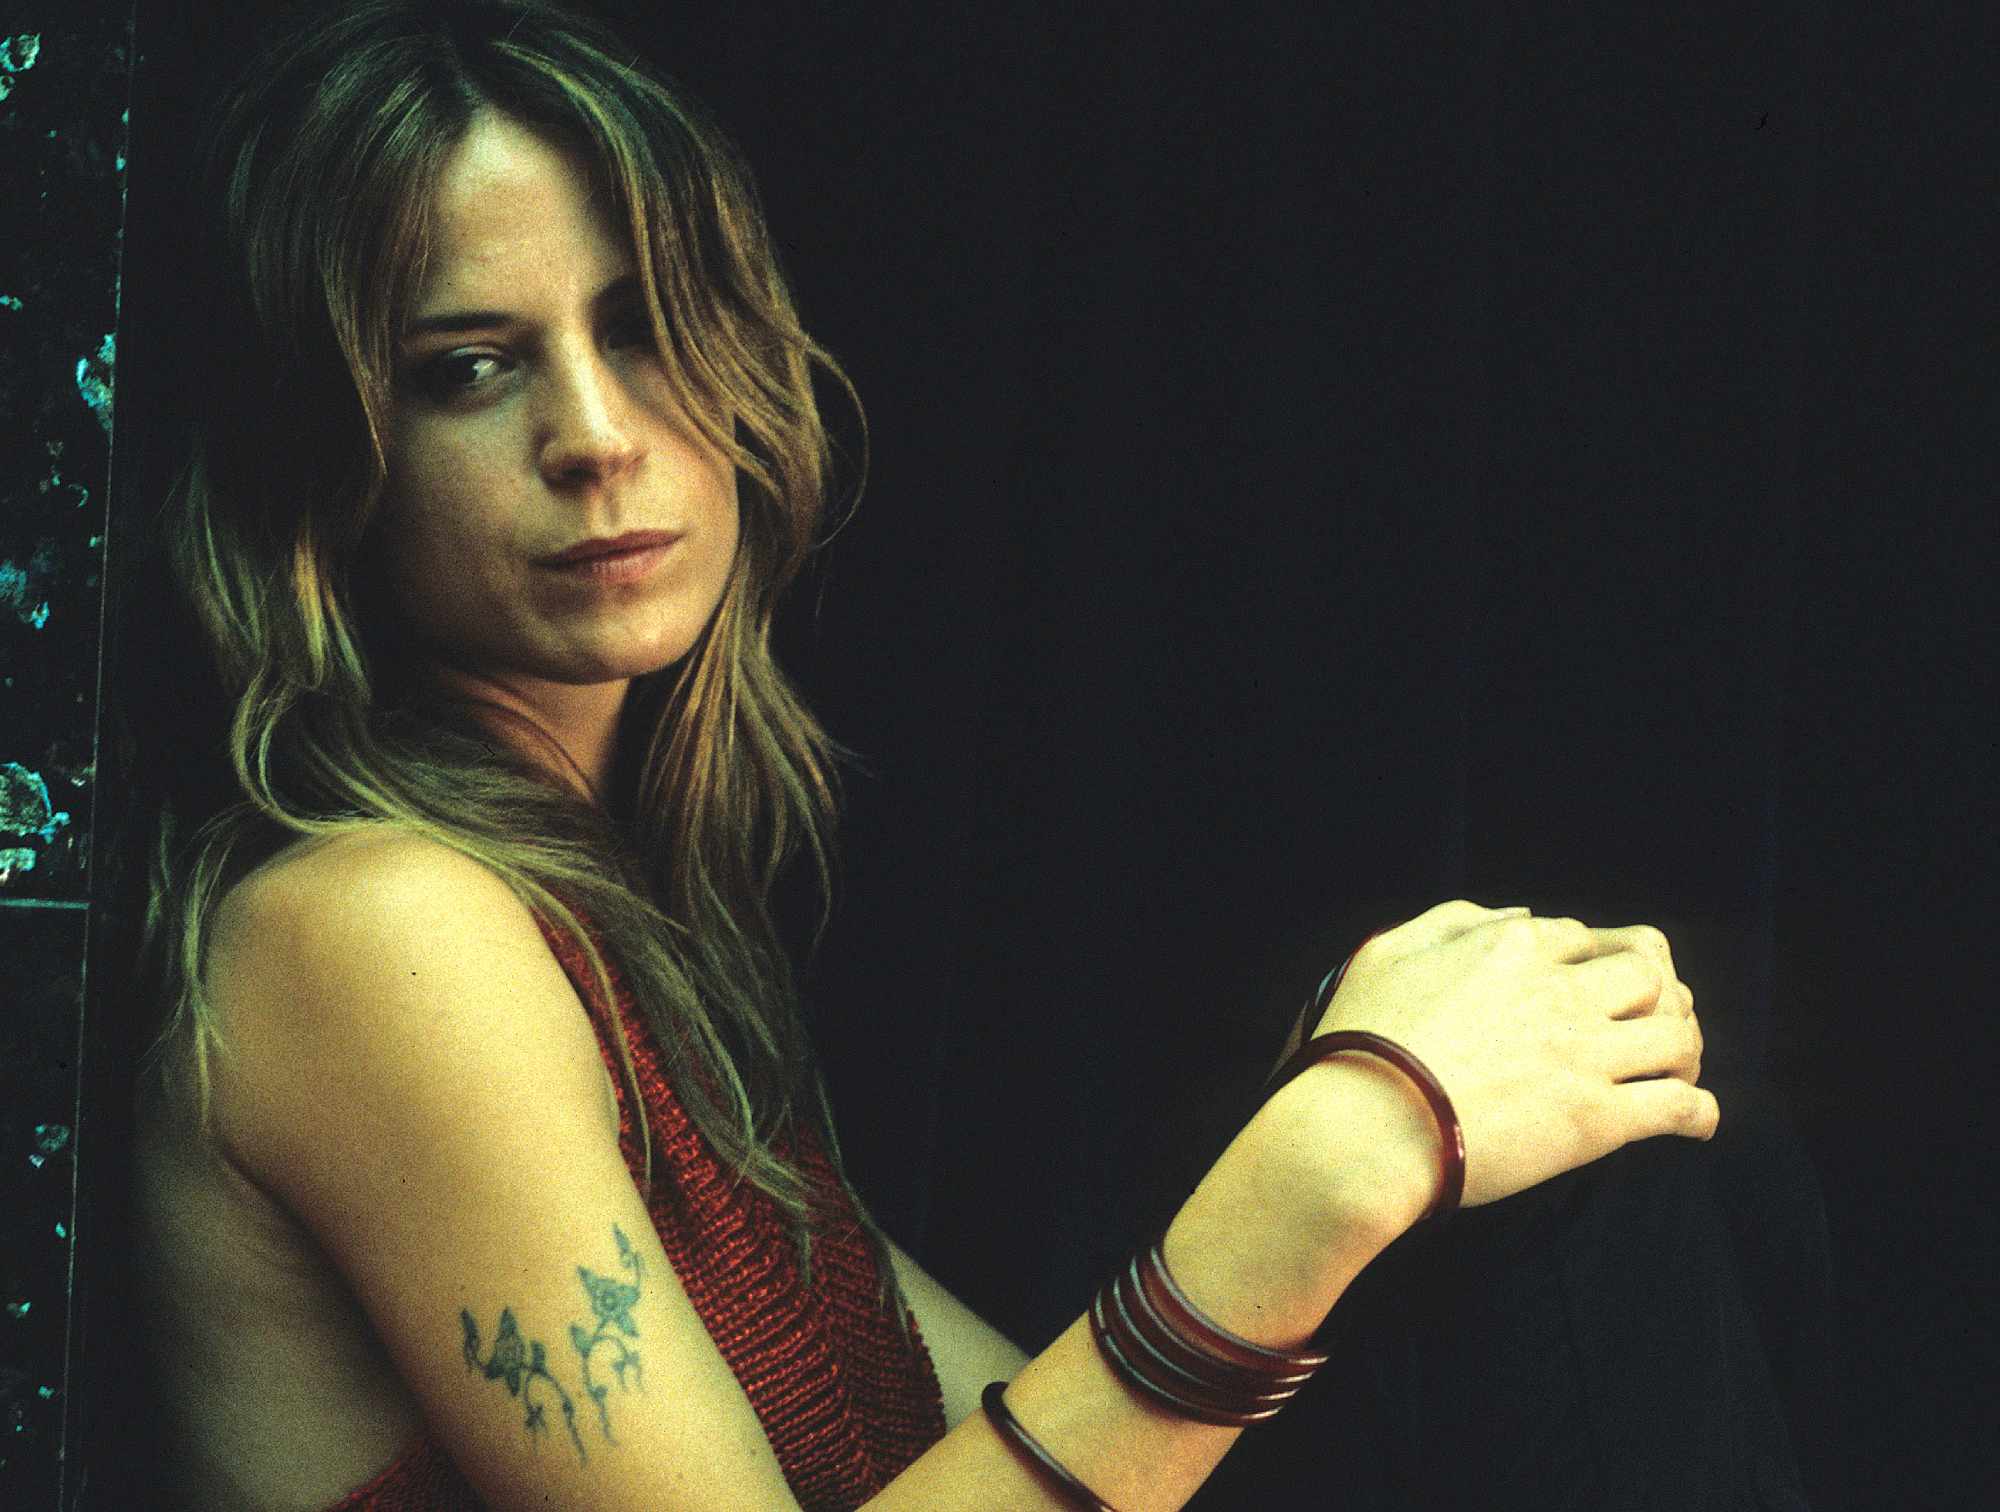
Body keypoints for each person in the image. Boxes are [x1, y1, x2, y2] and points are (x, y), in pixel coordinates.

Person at [119, 3, 1794, 1508]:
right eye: (469, 370)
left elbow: (1022, 1449)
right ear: (324, 462)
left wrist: (1402, 1110)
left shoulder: (629, 939)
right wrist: (1348, 1146)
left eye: (643, 327)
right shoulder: (366, 928)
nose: (597, 435)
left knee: (1604, 1178)